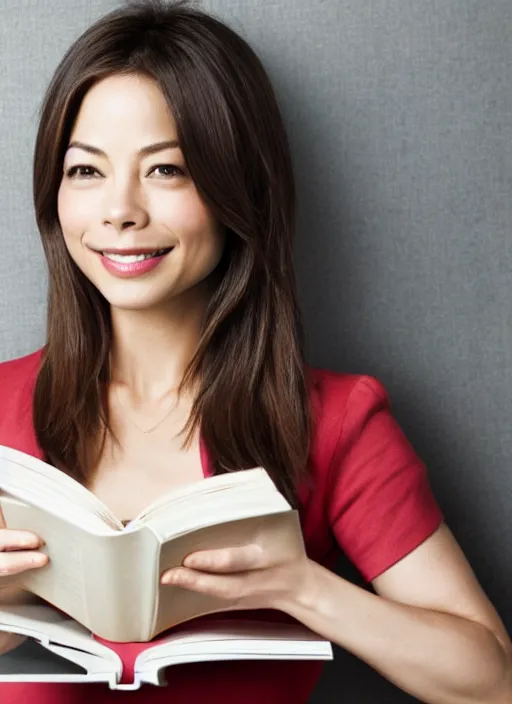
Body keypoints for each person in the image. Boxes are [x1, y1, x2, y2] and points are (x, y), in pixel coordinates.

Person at [0, 1, 510, 702]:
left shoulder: (335, 423)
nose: (119, 210)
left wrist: (302, 587)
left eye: (168, 170)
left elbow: (492, 681)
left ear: (239, 189)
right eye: (86, 171)